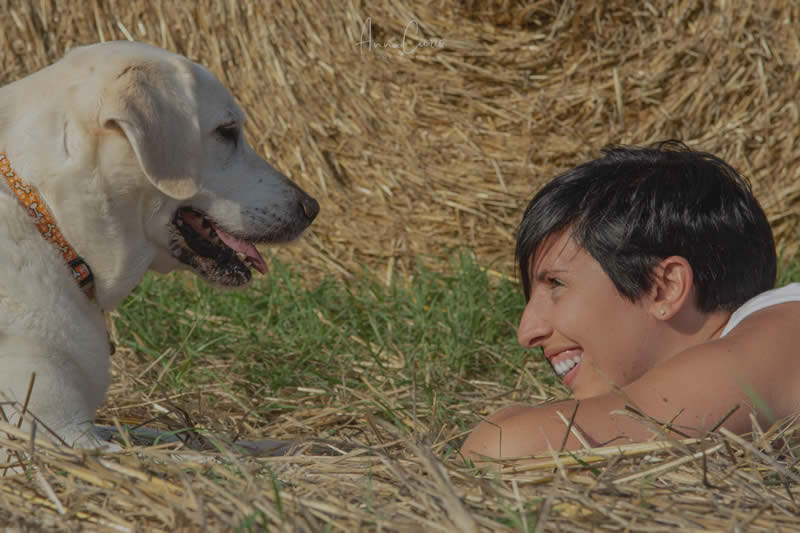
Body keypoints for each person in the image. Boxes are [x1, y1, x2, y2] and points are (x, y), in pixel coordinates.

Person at [461, 141, 800, 464]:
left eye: (556, 284)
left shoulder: (776, 345)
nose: (526, 333)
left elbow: (499, 447)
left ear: (664, 288)